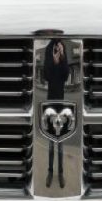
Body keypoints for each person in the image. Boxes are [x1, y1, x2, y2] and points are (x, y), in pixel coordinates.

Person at [43, 39, 70, 188]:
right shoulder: (48, 48)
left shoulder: (63, 47)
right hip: (50, 103)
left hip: (61, 101)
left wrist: (63, 56)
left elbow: (66, 76)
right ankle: (49, 172)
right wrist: (53, 61)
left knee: (60, 142)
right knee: (50, 142)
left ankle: (60, 173)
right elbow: (46, 75)